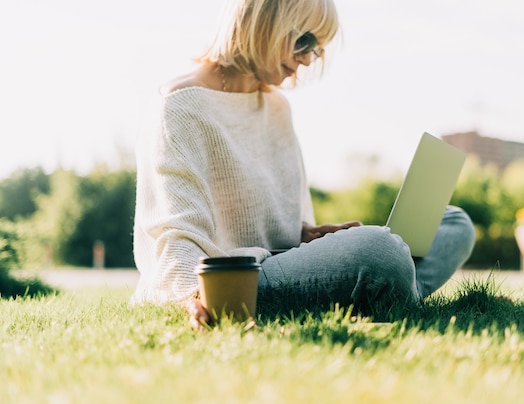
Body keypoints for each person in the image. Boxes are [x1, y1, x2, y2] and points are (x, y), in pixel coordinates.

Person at [130, 0, 476, 327]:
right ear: (265, 20)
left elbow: (281, 226)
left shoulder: (278, 109)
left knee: (453, 223)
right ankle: (391, 290)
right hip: (237, 279)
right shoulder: (178, 107)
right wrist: (196, 296)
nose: (309, 59)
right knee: (382, 253)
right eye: (305, 40)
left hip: (279, 263)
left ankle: (390, 290)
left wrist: (309, 236)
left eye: (317, 48)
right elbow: (177, 239)